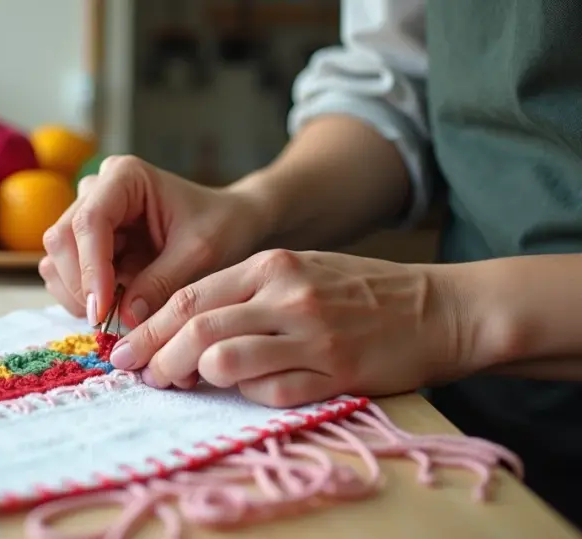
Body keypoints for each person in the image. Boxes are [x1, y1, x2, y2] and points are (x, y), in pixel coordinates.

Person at [40, 0, 582, 529]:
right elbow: (396, 85)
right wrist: (250, 207)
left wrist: (447, 314)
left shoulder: (443, 323)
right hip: (472, 434)